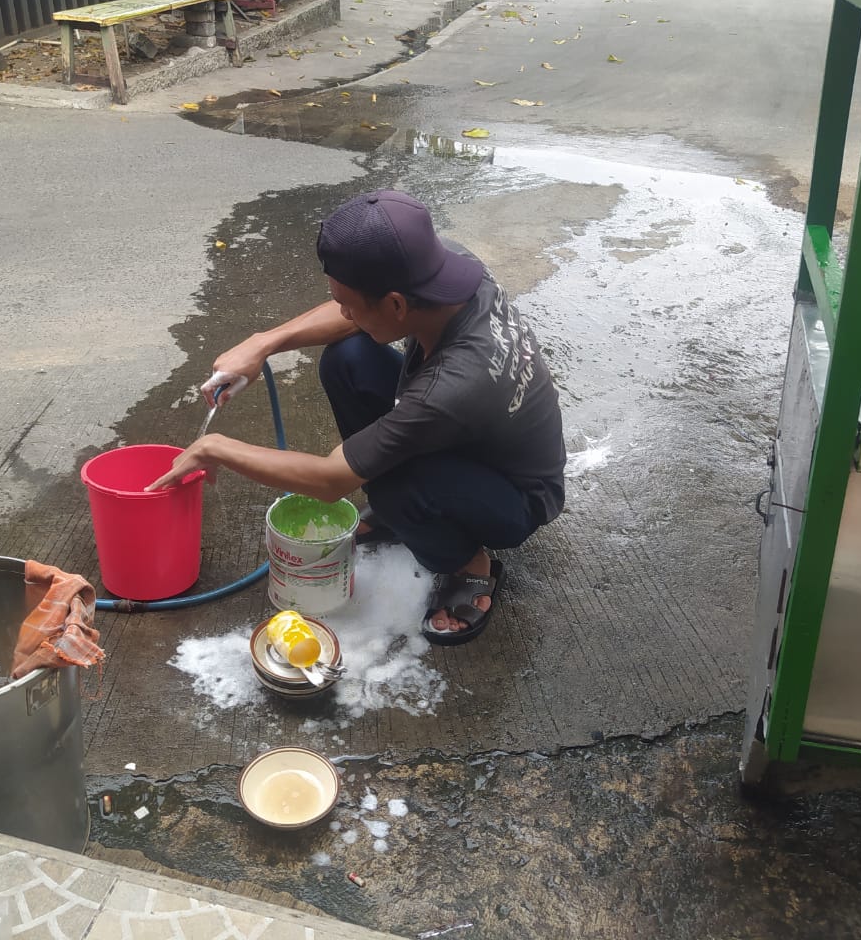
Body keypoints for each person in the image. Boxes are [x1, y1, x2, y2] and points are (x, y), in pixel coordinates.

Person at [147, 190, 566, 645]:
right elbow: (354, 318)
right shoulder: (443, 269)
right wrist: (262, 342)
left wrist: (216, 447)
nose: (343, 311)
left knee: (389, 481)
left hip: (515, 498)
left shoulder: (454, 385)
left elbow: (331, 480)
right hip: (467, 437)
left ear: (396, 305)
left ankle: (469, 561)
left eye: (348, 303)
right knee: (348, 358)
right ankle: (406, 513)